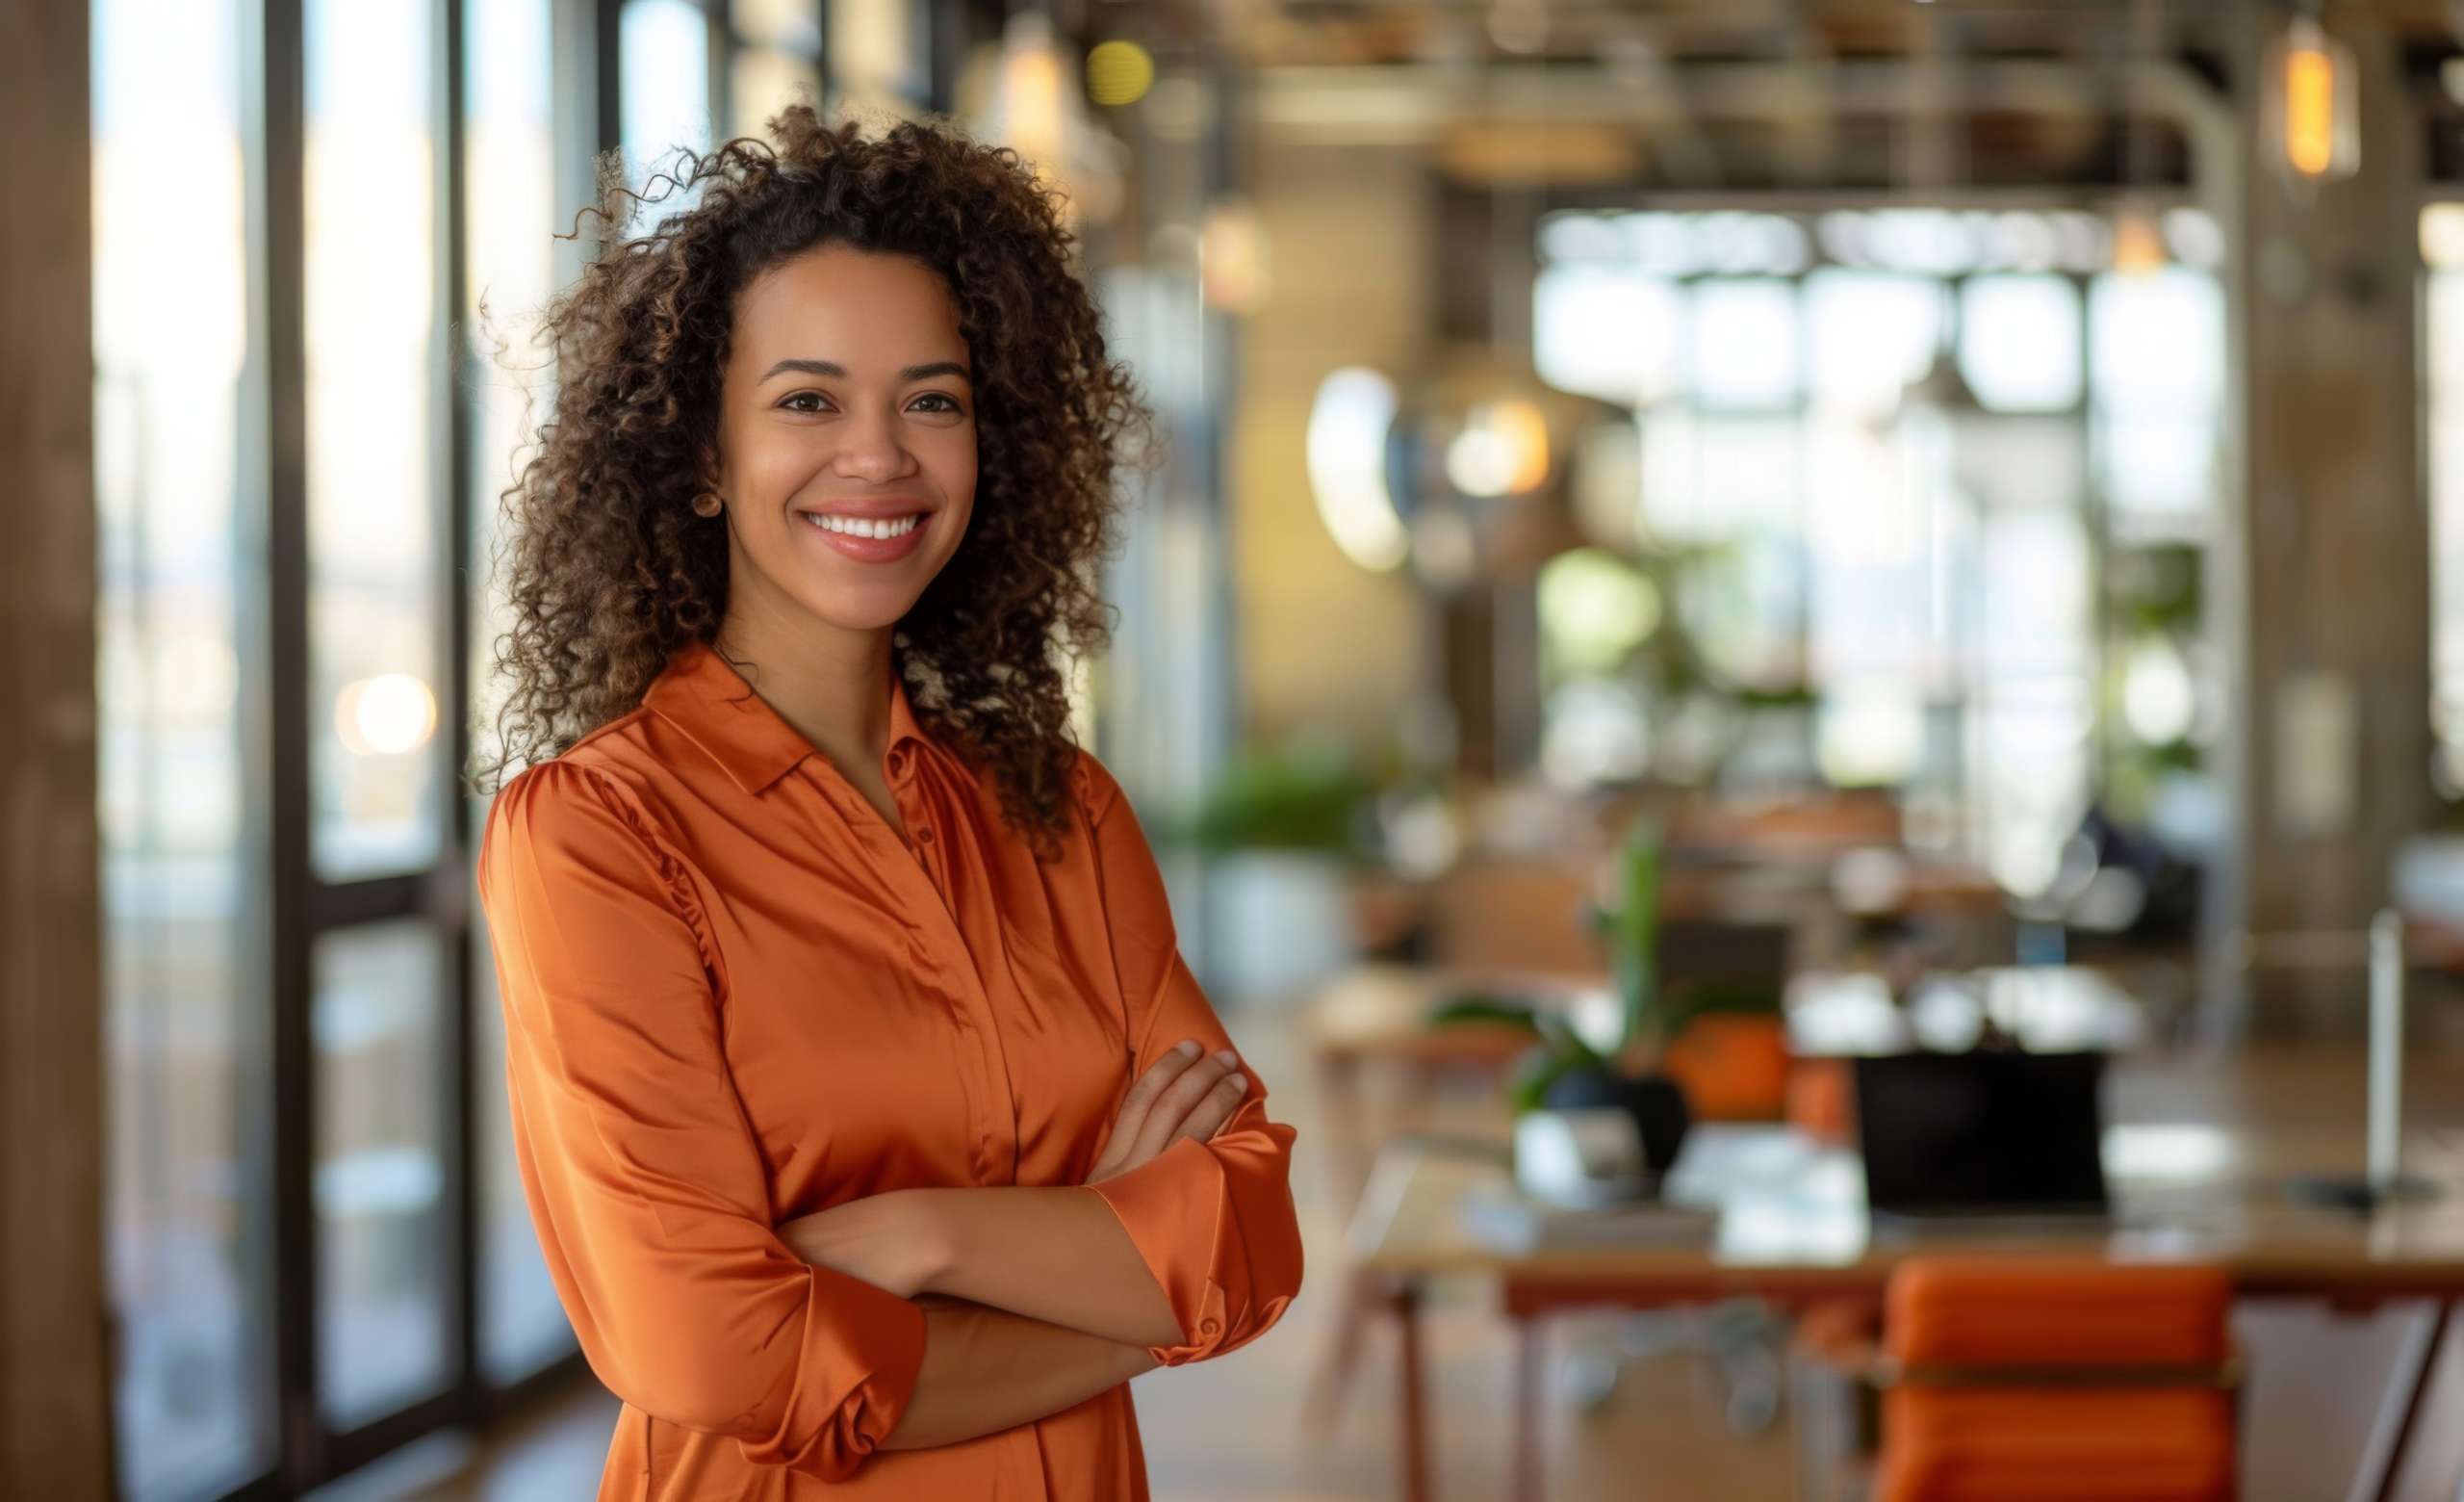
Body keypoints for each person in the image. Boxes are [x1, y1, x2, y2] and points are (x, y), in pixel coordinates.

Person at [472, 106, 1303, 1499]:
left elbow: (1253, 1234)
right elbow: (719, 1351)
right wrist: (1114, 1273)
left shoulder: (1065, 813)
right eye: (807, 401)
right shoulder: (598, 835)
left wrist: (920, 1238)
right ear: (698, 455)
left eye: (933, 399)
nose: (881, 457)